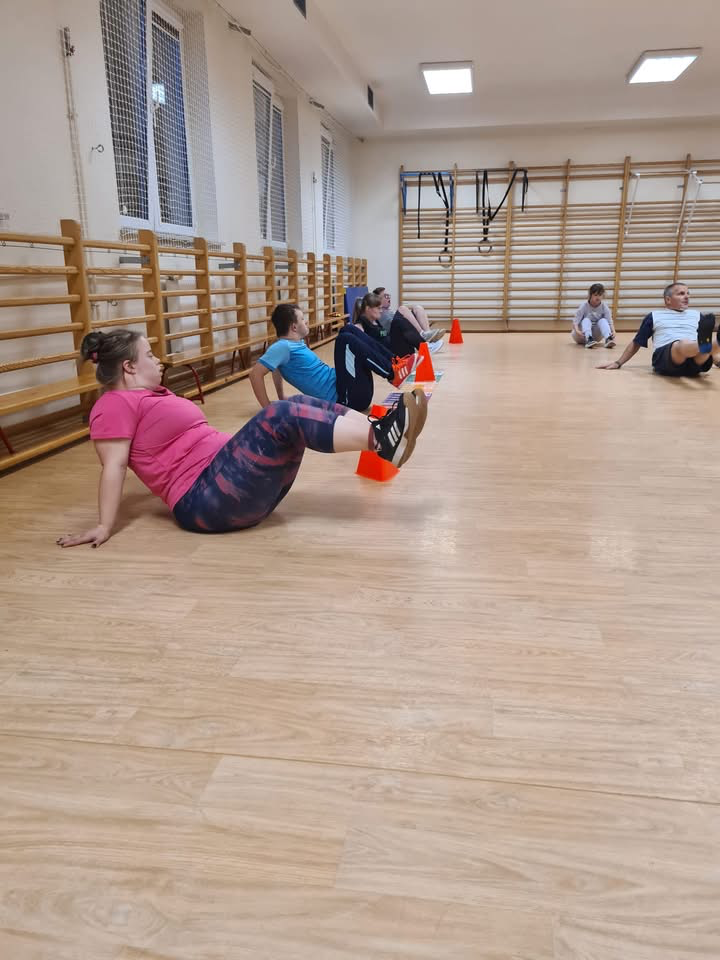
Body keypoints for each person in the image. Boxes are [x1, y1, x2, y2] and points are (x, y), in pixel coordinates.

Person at [56, 330, 429, 547]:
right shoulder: (113, 404)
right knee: (285, 412)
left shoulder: (151, 396)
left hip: (230, 487)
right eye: (150, 355)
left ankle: (382, 433)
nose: (158, 361)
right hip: (206, 501)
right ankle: (383, 440)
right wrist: (104, 525)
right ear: (129, 367)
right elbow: (114, 466)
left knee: (300, 407)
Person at [250, 302, 414, 414]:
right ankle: (392, 374)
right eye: (302, 319)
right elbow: (255, 374)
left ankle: (395, 363)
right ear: (294, 327)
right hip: (346, 399)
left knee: (347, 330)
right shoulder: (282, 347)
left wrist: (281, 396)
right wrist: (267, 408)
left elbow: (276, 367)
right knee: (344, 340)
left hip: (349, 388)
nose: (306, 322)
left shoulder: (290, 346)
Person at [598, 282, 718, 376]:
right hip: (666, 358)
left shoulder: (696, 315)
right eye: (681, 294)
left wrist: (717, 361)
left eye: (688, 293)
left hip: (695, 362)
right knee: (683, 344)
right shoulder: (654, 316)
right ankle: (706, 345)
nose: (686, 297)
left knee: (703, 351)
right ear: (668, 299)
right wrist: (618, 362)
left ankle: (714, 343)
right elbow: (636, 343)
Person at [373, 287, 445, 345]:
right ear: (378, 299)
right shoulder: (379, 313)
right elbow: (384, 331)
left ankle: (428, 334)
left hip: (402, 326)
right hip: (396, 332)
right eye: (385, 296)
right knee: (402, 308)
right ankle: (423, 335)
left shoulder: (390, 311)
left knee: (418, 308)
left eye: (388, 296)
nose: (389, 298)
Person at [571, 283, 616, 349]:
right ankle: (589, 339)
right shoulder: (584, 306)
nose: (598, 297)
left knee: (603, 320)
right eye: (595, 295)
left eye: (600, 295)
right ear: (590, 295)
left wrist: (613, 331)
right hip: (581, 335)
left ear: (603, 295)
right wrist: (577, 331)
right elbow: (575, 321)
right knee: (586, 320)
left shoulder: (604, 307)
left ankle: (608, 339)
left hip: (595, 337)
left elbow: (609, 321)